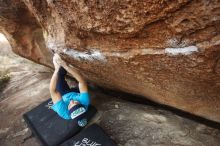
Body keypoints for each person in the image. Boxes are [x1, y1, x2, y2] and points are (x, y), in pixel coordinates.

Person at [49, 53, 90, 126]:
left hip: (64, 96)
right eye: (76, 103)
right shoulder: (85, 102)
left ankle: (60, 67)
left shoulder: (63, 111)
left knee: (59, 76)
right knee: (84, 86)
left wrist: (56, 68)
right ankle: (63, 64)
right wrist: (66, 66)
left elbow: (53, 91)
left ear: (68, 110)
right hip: (75, 93)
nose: (72, 101)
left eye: (71, 105)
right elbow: (81, 82)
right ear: (81, 105)